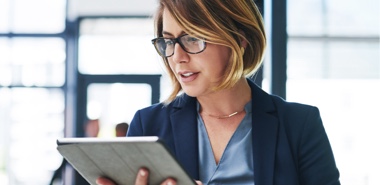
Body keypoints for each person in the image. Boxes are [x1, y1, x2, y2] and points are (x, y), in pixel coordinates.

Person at [97, 0, 340, 185]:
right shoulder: (148, 124)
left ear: (240, 39)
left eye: (192, 39)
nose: (177, 57)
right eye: (168, 41)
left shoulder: (299, 124)